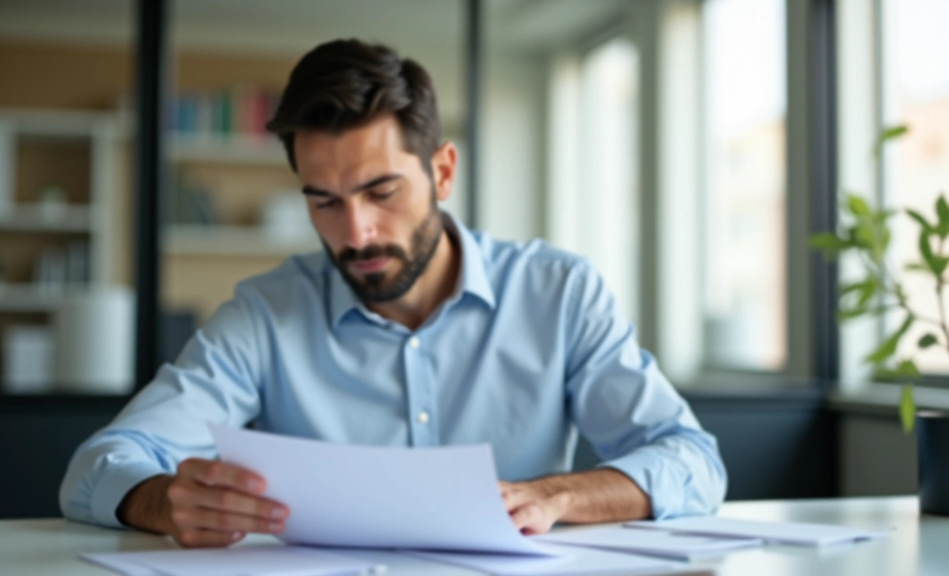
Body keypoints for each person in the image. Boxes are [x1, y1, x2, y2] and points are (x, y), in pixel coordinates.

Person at [61, 39, 726, 549]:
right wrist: (159, 500)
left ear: (442, 171)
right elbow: (100, 465)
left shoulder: (561, 294)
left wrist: (554, 496)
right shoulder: (267, 314)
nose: (356, 233)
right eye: (324, 201)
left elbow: (692, 461)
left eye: (381, 193)